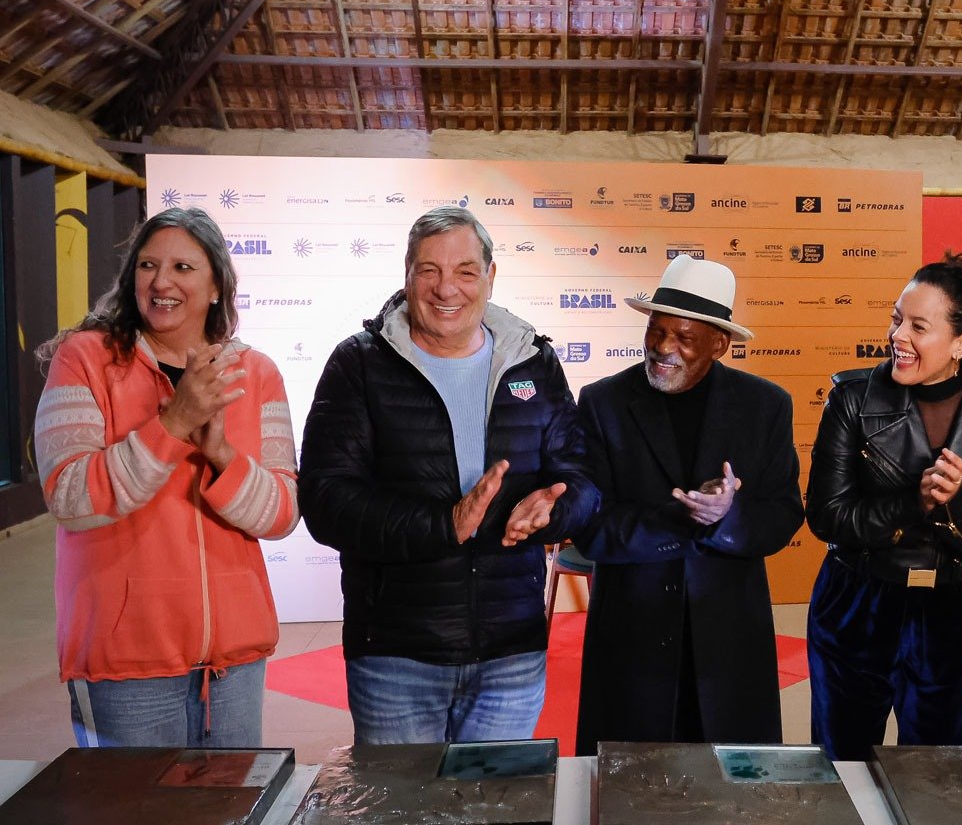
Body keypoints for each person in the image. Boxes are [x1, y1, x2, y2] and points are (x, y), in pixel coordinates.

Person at [298, 206, 598, 744]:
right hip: (396, 655)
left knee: (495, 795)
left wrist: (555, 510)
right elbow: (325, 500)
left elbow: (580, 477)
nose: (446, 289)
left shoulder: (533, 362)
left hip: (512, 654)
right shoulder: (358, 364)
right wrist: (445, 524)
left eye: (465, 271)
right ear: (407, 274)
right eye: (429, 270)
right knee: (402, 796)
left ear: (490, 275)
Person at [34, 207, 299, 747]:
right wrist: (172, 425)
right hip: (125, 662)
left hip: (233, 664)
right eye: (148, 265)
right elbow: (70, 496)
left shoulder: (257, 374)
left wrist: (220, 454)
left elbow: (281, 514)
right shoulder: (83, 359)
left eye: (182, 267)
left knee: (233, 795)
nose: (161, 282)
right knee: (130, 797)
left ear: (217, 287)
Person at [806, 246, 962, 761]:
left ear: (961, 343)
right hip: (856, 603)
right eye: (896, 320)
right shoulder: (851, 397)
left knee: (941, 772)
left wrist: (957, 502)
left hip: (954, 613)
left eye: (918, 327)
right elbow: (827, 515)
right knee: (842, 764)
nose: (897, 336)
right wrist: (915, 501)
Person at [573, 254, 804, 753]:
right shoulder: (602, 403)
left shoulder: (766, 406)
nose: (663, 348)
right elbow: (590, 528)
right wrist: (679, 518)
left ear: (719, 345)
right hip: (631, 645)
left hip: (730, 646)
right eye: (656, 331)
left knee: (731, 785)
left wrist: (727, 518)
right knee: (629, 782)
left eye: (683, 337)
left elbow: (784, 513)